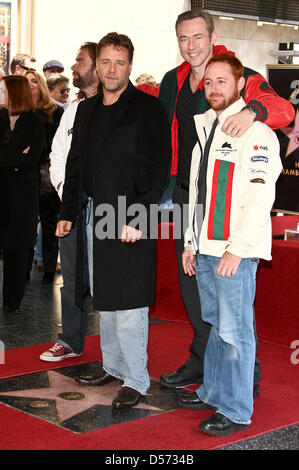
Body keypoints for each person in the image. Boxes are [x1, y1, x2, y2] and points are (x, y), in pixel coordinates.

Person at [158, 8, 295, 392]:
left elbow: (283, 110)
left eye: (198, 37)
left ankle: (243, 375)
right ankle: (205, 362)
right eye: (183, 39)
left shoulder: (236, 74)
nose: (191, 46)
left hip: (229, 201)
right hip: (189, 195)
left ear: (212, 35)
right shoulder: (174, 81)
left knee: (230, 296)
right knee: (195, 290)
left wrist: (254, 110)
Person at [56, 32, 171, 408]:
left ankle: (136, 379)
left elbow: (157, 167)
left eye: (119, 62)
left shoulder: (146, 108)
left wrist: (138, 215)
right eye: (105, 61)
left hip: (129, 218)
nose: (111, 69)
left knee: (129, 302)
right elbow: (75, 165)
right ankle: (113, 366)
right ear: (97, 64)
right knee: (105, 298)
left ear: (130, 67)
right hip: (94, 215)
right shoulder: (87, 108)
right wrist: (67, 212)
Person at [179, 53, 282, 436]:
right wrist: (190, 242)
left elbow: (259, 197)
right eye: (208, 82)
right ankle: (212, 391)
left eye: (222, 81)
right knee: (216, 325)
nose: (214, 88)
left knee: (235, 331)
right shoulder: (206, 127)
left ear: (241, 85)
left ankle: (237, 409)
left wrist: (237, 248)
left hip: (233, 252)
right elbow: (198, 194)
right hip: (204, 249)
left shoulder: (256, 133)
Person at [40, 42, 100, 362]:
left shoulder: (115, 107)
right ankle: (70, 340)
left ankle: (117, 351)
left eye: (80, 61)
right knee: (73, 279)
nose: (74, 67)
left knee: (107, 279)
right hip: (72, 207)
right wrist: (65, 191)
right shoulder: (73, 109)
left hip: (106, 210)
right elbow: (58, 153)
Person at [0, 75, 45, 312]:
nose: (0, 93)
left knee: (16, 250)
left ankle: (12, 302)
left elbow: (31, 159)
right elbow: (18, 158)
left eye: (2, 90)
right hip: (3, 193)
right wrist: (16, 156)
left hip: (22, 199)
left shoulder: (35, 122)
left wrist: (12, 157)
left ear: (15, 93)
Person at [25, 70, 63, 283]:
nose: (30, 85)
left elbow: (55, 145)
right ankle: (26, 267)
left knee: (49, 224)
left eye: (33, 81)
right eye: (26, 82)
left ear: (40, 84)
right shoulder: (18, 110)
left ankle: (49, 267)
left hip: (47, 175)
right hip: (25, 174)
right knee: (27, 224)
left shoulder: (54, 111)